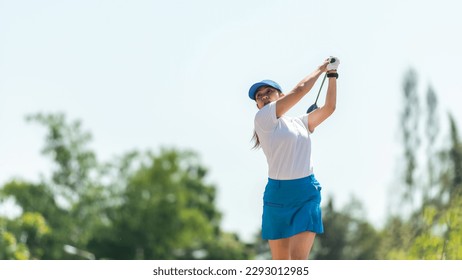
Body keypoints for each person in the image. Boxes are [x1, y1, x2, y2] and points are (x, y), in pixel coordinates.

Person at [249, 57, 339, 260]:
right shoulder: (262, 119)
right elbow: (299, 91)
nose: (263, 97)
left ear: (280, 95)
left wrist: (332, 74)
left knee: (298, 262)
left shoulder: (300, 123)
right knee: (282, 265)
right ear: (257, 105)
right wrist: (320, 68)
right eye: (259, 96)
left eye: (268, 92)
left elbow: (329, 108)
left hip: (305, 192)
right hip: (277, 195)